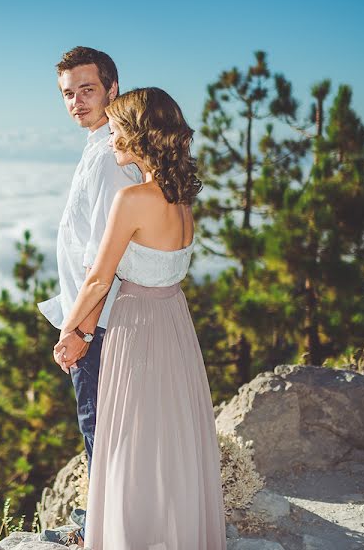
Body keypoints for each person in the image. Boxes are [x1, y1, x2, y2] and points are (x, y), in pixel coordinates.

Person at [54, 88, 226, 549]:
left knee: (132, 440)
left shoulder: (132, 197)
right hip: (174, 323)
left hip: (137, 326)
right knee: (173, 436)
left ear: (139, 135)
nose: (111, 138)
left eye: (117, 130)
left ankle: (136, 537)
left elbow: (97, 280)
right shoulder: (182, 198)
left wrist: (72, 332)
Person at [37, 47, 142, 545]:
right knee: (98, 423)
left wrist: (79, 330)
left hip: (99, 322)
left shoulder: (110, 158)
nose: (76, 102)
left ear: (112, 90)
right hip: (90, 315)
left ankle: (105, 529)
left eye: (87, 90)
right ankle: (107, 521)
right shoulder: (98, 147)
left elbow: (107, 259)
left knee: (98, 422)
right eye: (68, 94)